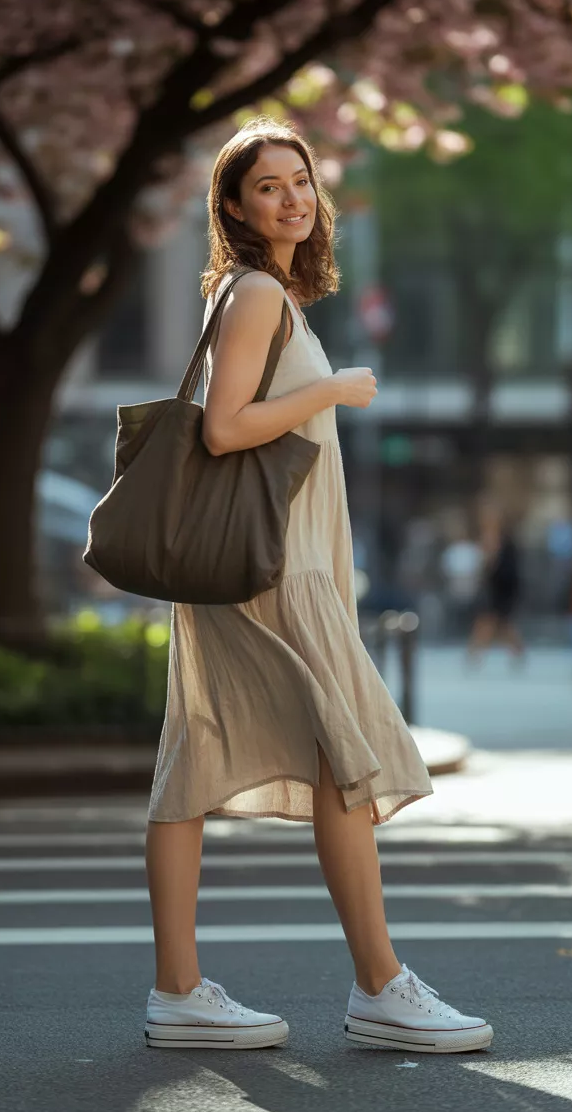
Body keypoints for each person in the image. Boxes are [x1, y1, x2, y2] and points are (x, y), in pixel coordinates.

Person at [144, 118, 493, 1054]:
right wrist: (333, 389)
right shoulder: (255, 292)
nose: (292, 198)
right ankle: (379, 985)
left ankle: (180, 990)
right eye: (268, 186)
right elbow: (224, 430)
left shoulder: (263, 295)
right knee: (340, 760)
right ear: (234, 206)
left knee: (195, 759)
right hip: (273, 574)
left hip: (272, 569)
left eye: (302, 181)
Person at [466, 503, 524, 664]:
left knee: (493, 622)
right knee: (495, 622)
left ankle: (474, 654)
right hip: (494, 585)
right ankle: (474, 654)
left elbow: (493, 563)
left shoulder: (502, 539)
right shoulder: (489, 537)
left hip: (503, 586)